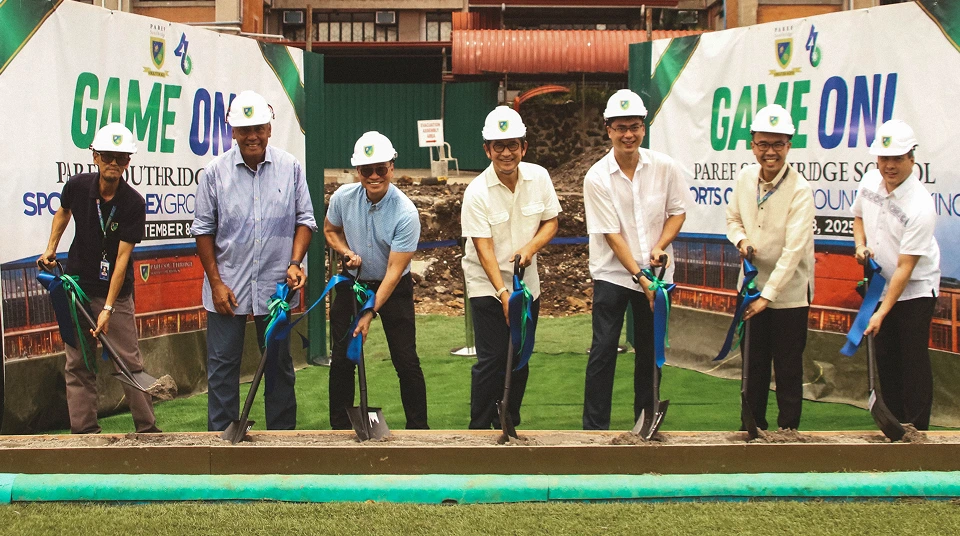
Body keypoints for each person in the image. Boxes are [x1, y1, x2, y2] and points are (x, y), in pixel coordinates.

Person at [192, 90, 316, 432]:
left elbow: (305, 220)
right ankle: (221, 444)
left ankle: (282, 442)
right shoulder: (215, 173)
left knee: (279, 366)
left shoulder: (290, 168)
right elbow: (202, 231)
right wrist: (216, 283)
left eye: (258, 128)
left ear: (269, 129)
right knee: (222, 368)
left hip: (275, 288)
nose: (252, 136)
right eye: (244, 130)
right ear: (232, 131)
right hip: (227, 288)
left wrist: (294, 262)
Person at [40, 123, 159, 434]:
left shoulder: (133, 203)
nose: (114, 164)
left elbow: (121, 261)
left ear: (128, 162)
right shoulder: (78, 186)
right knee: (78, 362)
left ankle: (147, 430)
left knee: (128, 361)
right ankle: (84, 433)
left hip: (115, 296)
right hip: (76, 288)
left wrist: (107, 309)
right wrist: (51, 247)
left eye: (122, 158)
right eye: (108, 156)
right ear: (95, 156)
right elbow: (63, 211)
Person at [582, 89, 689, 430]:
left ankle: (645, 425)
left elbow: (677, 212)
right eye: (620, 127)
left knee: (650, 353)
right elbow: (611, 234)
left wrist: (661, 246)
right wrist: (640, 275)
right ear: (608, 129)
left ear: (644, 128)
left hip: (655, 277)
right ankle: (594, 431)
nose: (628, 134)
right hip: (613, 275)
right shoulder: (596, 177)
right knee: (602, 351)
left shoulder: (665, 167)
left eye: (635, 126)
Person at [461, 106, 560, 429]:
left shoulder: (539, 177)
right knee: (492, 358)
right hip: (485, 283)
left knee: (520, 354)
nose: (507, 153)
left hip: (527, 282)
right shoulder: (476, 192)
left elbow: (551, 222)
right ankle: (479, 426)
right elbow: (483, 248)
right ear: (487, 149)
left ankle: (508, 421)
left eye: (513, 145)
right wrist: (502, 293)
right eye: (499, 146)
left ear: (524, 147)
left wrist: (530, 248)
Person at [324, 131, 429, 430]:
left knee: (405, 359)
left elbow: (394, 273)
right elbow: (331, 230)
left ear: (391, 167)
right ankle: (340, 428)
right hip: (353, 282)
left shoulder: (406, 213)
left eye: (380, 169)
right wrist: (346, 252)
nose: (374, 176)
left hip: (392, 287)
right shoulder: (343, 198)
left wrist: (369, 312)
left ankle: (419, 430)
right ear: (357, 171)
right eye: (366, 170)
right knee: (342, 358)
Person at [726, 104, 815, 431]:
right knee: (754, 365)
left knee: (788, 367)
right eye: (763, 144)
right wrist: (742, 242)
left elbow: (794, 251)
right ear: (753, 144)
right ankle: (752, 429)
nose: (770, 152)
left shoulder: (800, 190)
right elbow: (733, 220)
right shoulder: (744, 178)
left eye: (778, 144)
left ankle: (788, 433)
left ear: (789, 145)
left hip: (788, 294)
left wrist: (769, 297)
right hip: (751, 289)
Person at [852, 119, 940, 430]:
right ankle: (892, 428)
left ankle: (916, 431)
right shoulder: (869, 182)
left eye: (897, 159)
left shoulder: (920, 206)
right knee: (886, 359)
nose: (889, 166)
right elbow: (858, 216)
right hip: (880, 285)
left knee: (912, 361)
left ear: (911, 159)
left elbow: (905, 267)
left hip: (914, 291)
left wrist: (881, 313)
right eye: (884, 158)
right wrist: (860, 245)